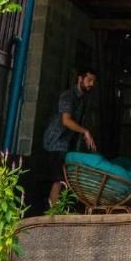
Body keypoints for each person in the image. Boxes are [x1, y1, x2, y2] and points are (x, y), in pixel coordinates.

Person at [43, 66, 97, 207]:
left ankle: (60, 210)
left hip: (67, 144)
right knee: (58, 179)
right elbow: (66, 121)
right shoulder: (68, 96)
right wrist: (85, 132)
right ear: (80, 78)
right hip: (55, 142)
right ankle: (54, 212)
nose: (91, 84)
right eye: (89, 80)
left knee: (66, 178)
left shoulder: (83, 99)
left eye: (93, 81)